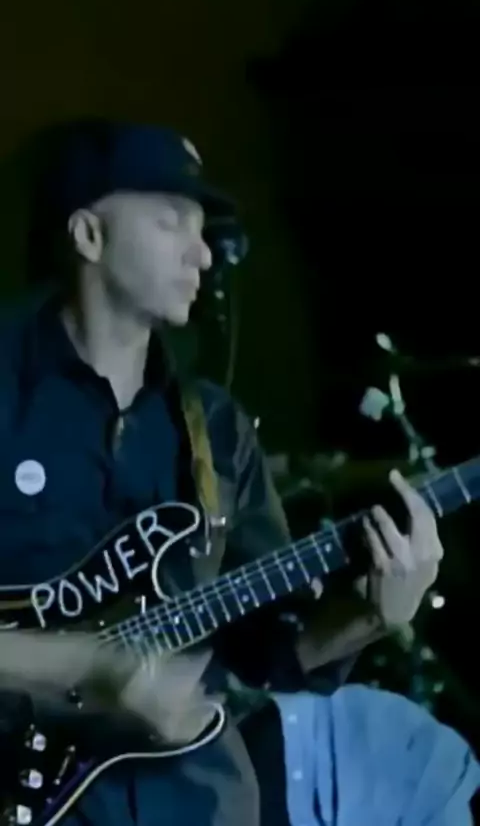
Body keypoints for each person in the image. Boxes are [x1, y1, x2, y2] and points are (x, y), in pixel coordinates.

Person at [0, 118, 444, 826]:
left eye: (204, 230)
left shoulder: (215, 429)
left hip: (196, 803)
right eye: (171, 221)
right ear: (89, 235)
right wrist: (88, 667)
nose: (203, 253)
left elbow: (269, 652)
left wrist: (372, 614)